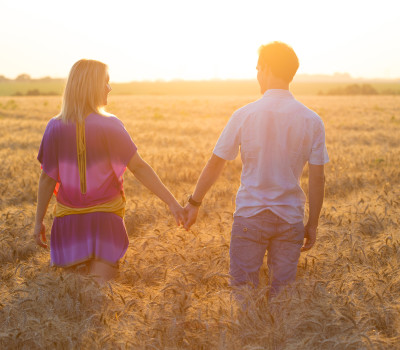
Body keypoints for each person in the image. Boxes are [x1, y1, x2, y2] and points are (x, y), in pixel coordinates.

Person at [184, 42, 329, 297]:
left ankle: (248, 336)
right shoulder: (311, 120)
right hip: (290, 218)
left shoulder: (244, 114)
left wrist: (194, 202)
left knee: (243, 294)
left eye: (258, 68)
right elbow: (318, 178)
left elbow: (216, 162)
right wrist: (312, 224)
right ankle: (278, 337)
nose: (257, 75)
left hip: (250, 216)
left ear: (267, 69)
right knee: (282, 298)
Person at [34, 59, 184, 282]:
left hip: (68, 225)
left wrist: (38, 222)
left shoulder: (54, 126)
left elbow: (47, 179)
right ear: (91, 86)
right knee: (98, 295)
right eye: (106, 82)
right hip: (105, 222)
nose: (109, 88)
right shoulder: (110, 124)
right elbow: (139, 167)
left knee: (74, 301)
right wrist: (172, 202)